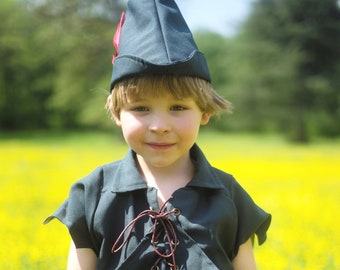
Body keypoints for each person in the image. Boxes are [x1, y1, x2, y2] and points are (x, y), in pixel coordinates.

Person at [44, 0, 271, 269]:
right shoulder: (91, 195)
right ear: (116, 113)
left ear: (205, 111)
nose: (159, 125)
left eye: (178, 107)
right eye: (141, 108)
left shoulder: (229, 196)